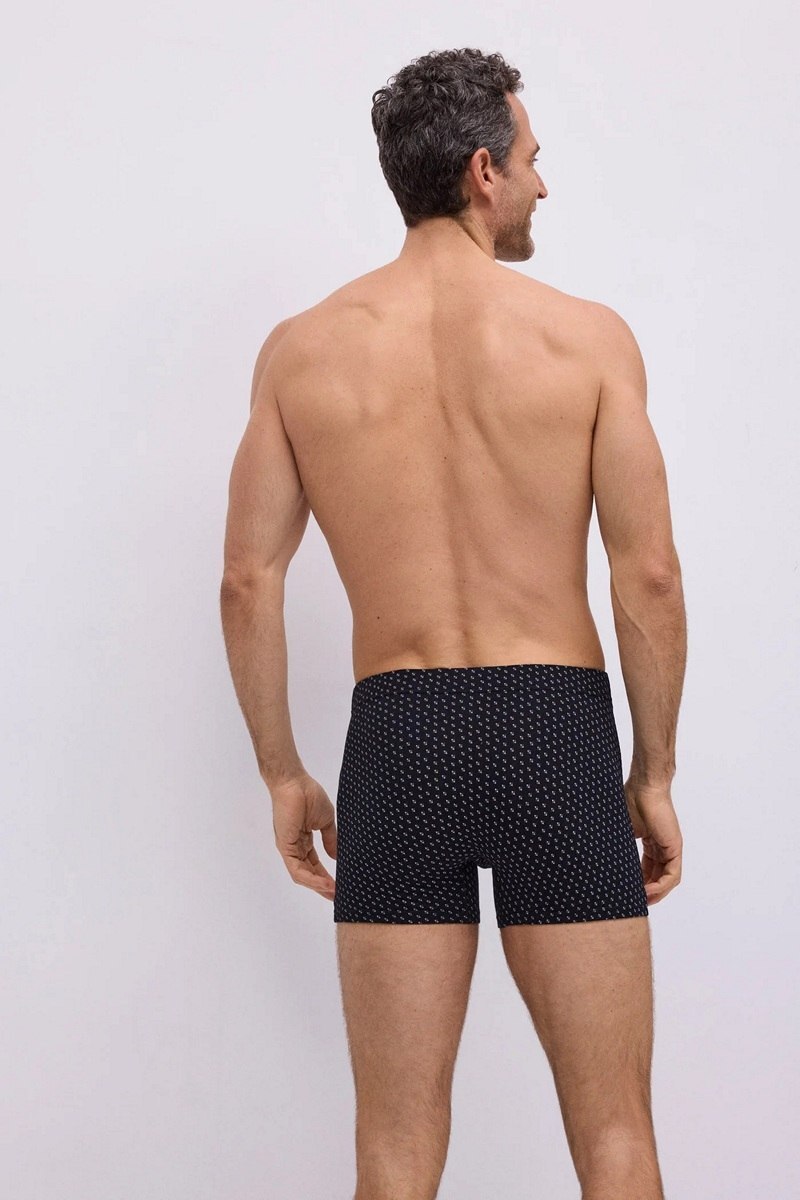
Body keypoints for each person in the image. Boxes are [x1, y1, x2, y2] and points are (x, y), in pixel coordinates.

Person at [220, 46, 686, 1200]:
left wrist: (281, 773)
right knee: (615, 1135)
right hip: (550, 734)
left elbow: (247, 580)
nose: (540, 183)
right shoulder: (584, 339)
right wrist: (650, 772)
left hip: (399, 742)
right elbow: (646, 576)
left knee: (392, 1150)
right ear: (483, 172)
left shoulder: (301, 351)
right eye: (530, 160)